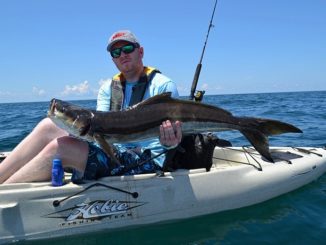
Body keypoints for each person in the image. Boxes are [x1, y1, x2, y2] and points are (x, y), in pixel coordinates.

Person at [0, 30, 182, 184]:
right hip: (115, 150)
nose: (122, 54)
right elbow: (97, 130)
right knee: (48, 125)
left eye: (127, 48)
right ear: (112, 59)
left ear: (140, 52)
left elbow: (176, 137)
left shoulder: (163, 85)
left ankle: (7, 194)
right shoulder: (108, 88)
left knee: (61, 148)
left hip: (147, 160)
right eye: (116, 52)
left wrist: (171, 142)